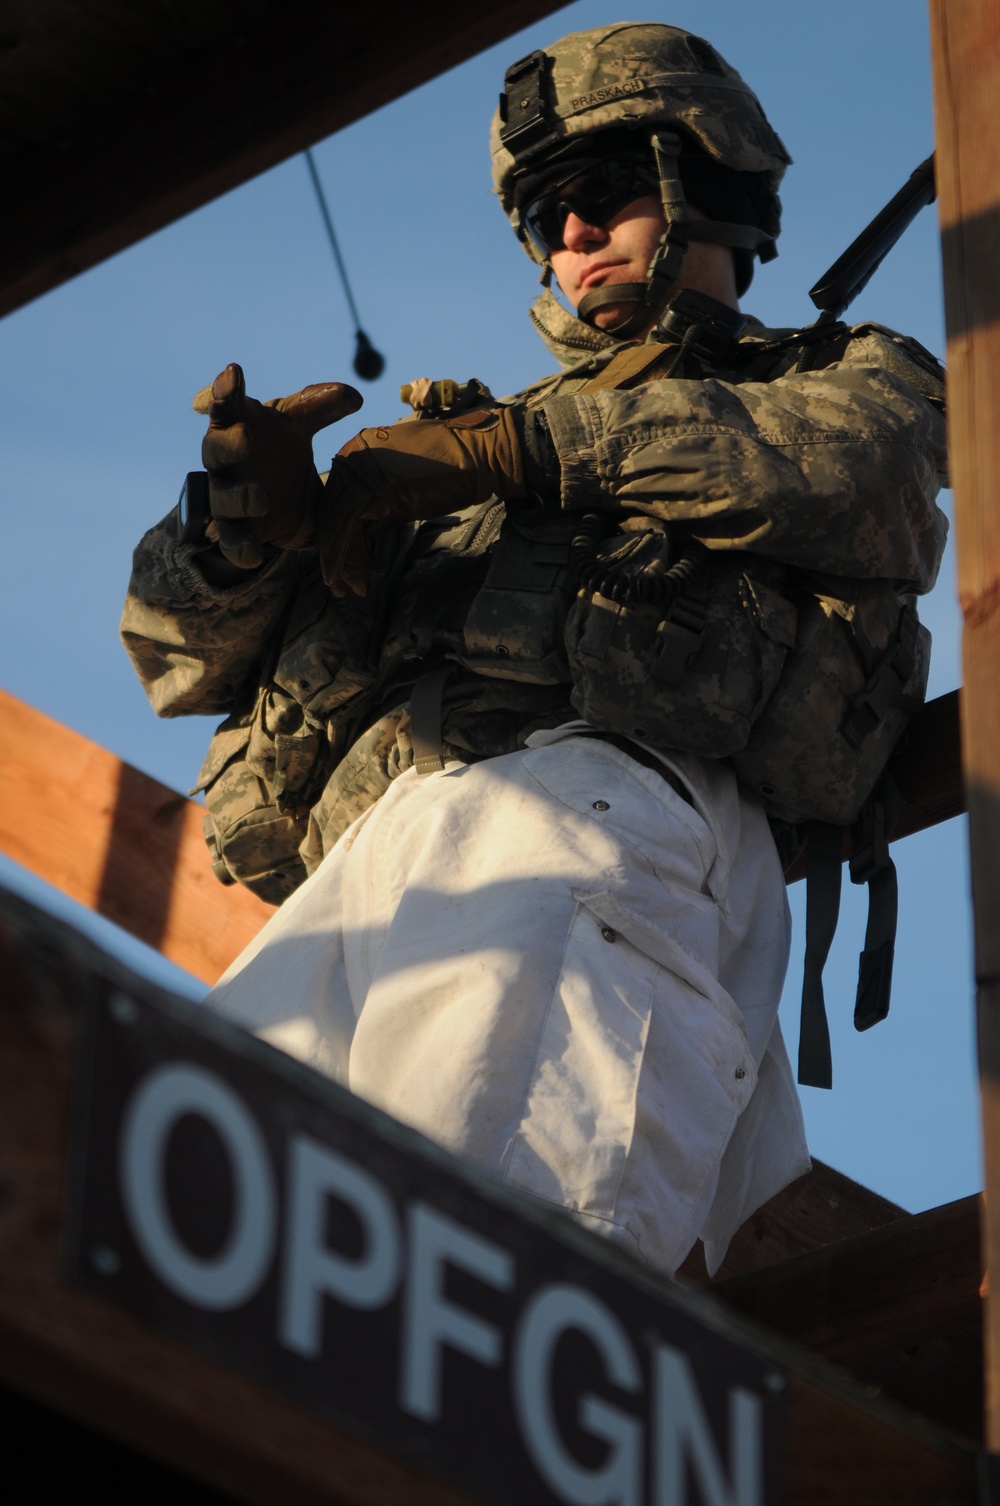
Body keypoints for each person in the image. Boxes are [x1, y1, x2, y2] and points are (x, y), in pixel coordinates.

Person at [121, 24, 947, 1277]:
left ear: (705, 183)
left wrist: (528, 453)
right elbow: (176, 666)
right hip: (384, 860)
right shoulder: (443, 470)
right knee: (217, 1215)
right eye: (545, 211)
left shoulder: (841, 381)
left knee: (488, 1249)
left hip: (605, 811)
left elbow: (858, 473)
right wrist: (234, 537)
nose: (569, 233)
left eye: (602, 191)